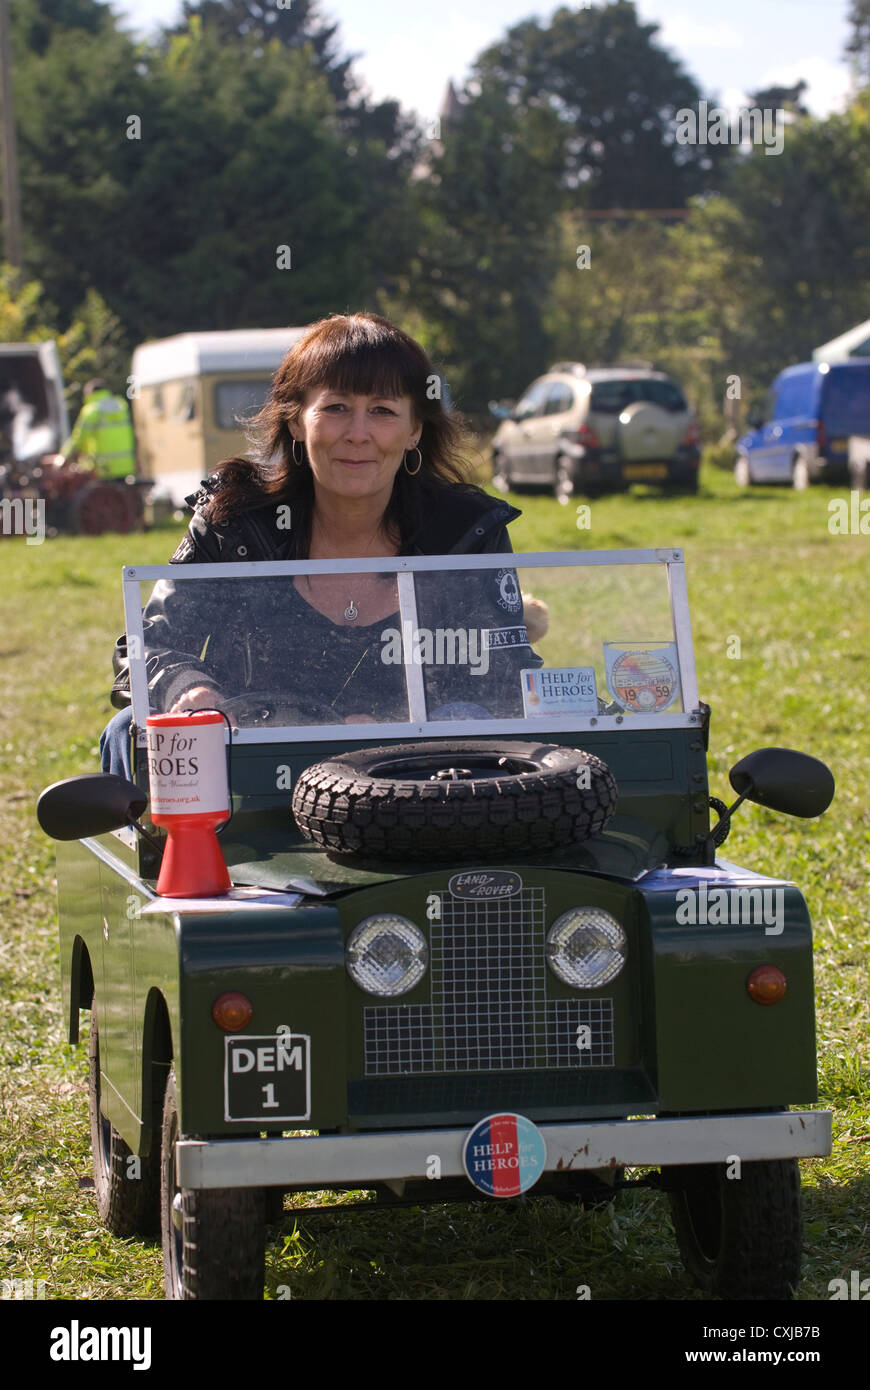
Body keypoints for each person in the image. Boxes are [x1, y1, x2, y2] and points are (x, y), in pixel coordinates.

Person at [102, 312, 540, 778]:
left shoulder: (467, 531)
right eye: (335, 408)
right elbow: (147, 646)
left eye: (383, 411)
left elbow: (506, 679)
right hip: (250, 775)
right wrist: (193, 692)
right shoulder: (233, 525)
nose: (357, 433)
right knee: (126, 726)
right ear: (295, 421)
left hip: (423, 779)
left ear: (415, 430)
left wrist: (402, 729)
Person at [61, 378, 136, 479]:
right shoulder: (121, 407)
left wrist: (64, 456)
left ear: (89, 394)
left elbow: (79, 438)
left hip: (104, 469)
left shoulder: (92, 411)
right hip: (127, 467)